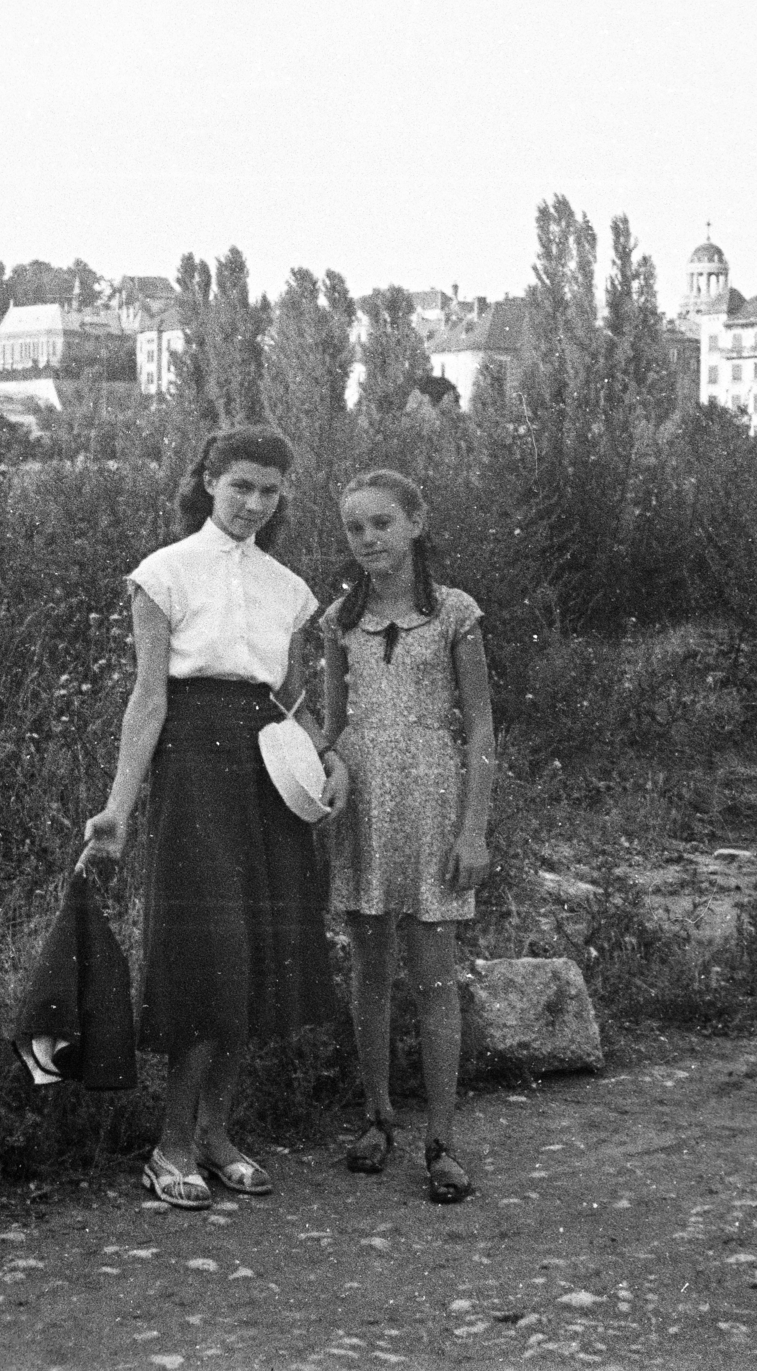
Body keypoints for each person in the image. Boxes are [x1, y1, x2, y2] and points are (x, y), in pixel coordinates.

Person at [79, 426, 348, 1211]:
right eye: (239, 486)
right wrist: (117, 809)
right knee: (208, 953)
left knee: (258, 953)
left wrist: (319, 761)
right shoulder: (162, 574)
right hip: (194, 766)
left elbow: (292, 702)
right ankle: (169, 1145)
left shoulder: (289, 588)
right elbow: (148, 698)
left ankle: (219, 1134)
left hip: (268, 772)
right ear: (206, 481)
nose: (253, 504)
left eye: (268, 491)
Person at [321, 469, 495, 1203]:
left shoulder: (453, 613)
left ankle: (442, 1139)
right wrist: (326, 764)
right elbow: (330, 725)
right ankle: (376, 1116)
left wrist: (473, 830)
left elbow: (481, 725)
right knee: (369, 973)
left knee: (432, 978)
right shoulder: (338, 618)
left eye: (382, 524)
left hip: (432, 799)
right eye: (355, 528)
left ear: (415, 523)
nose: (368, 540)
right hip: (363, 804)